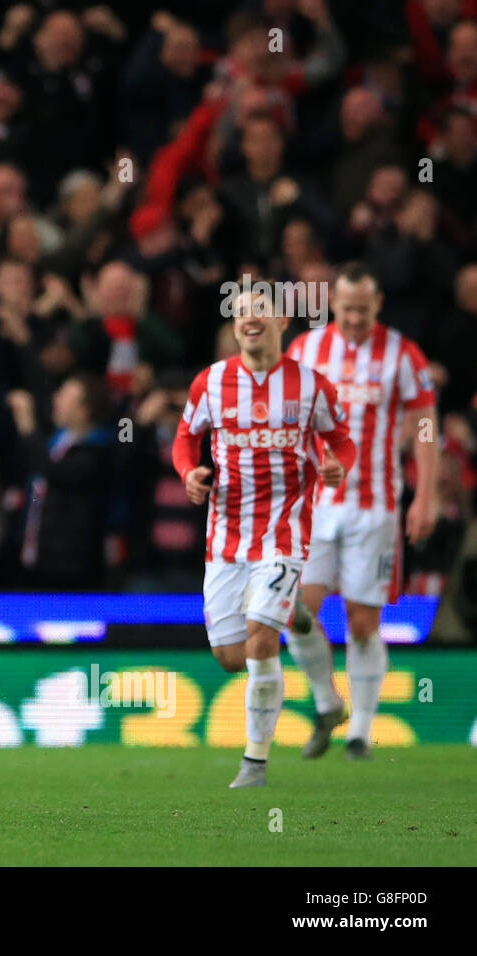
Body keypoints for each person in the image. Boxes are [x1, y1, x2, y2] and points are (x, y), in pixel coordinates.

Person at [174, 287, 355, 788]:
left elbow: (341, 440)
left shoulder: (312, 386)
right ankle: (291, 612)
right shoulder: (209, 382)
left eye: (261, 311)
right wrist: (189, 471)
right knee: (231, 657)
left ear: (282, 322)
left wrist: (339, 465)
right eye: (241, 313)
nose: (250, 319)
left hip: (284, 532)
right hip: (225, 538)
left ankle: (254, 763)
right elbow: (186, 438)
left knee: (259, 641)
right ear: (234, 327)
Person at [284, 262, 437, 760]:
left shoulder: (402, 354)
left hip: (376, 506)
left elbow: (425, 427)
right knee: (295, 610)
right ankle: (329, 703)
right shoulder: (306, 350)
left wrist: (426, 494)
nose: (353, 317)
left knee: (364, 621)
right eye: (346, 308)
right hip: (314, 507)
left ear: (378, 303)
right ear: (333, 304)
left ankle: (360, 732)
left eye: (362, 308)